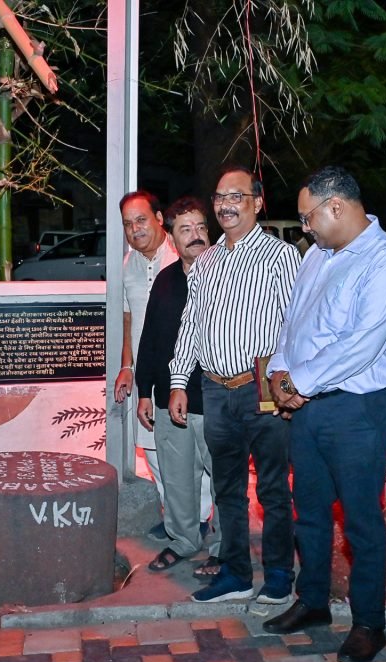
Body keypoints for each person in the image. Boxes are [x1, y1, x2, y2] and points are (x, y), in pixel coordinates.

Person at [261, 166, 386, 662]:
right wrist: (279, 370)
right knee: (309, 511)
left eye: (308, 217)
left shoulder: (385, 264)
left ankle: (369, 622)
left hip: (357, 410)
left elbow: (360, 347)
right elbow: (293, 321)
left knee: (360, 519)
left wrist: (297, 383)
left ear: (337, 207)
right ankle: (312, 601)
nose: (305, 227)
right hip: (308, 408)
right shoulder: (317, 255)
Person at [169, 165, 300, 604]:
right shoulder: (205, 262)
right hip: (213, 389)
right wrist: (178, 381)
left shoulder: (280, 256)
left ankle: (279, 574)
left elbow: (296, 325)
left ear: (257, 203)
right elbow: (191, 324)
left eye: (236, 196)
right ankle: (236, 574)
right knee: (227, 489)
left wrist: (287, 385)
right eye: (220, 197)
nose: (226, 205)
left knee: (273, 487)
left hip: (261, 387)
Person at [134, 196, 217, 573]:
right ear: (172, 237)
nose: (196, 235)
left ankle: (223, 548)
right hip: (170, 402)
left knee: (223, 481)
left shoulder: (225, 277)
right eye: (186, 229)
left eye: (201, 227)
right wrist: (144, 392)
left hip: (217, 399)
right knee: (178, 480)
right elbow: (150, 338)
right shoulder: (166, 281)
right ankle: (183, 539)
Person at [111, 191, 189, 540]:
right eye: (128, 224)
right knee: (152, 448)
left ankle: (198, 518)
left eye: (141, 220)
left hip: (182, 372)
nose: (135, 229)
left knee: (185, 451)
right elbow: (129, 320)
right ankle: (173, 516)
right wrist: (127, 366)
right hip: (147, 374)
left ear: (159, 219)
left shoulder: (182, 257)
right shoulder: (128, 264)